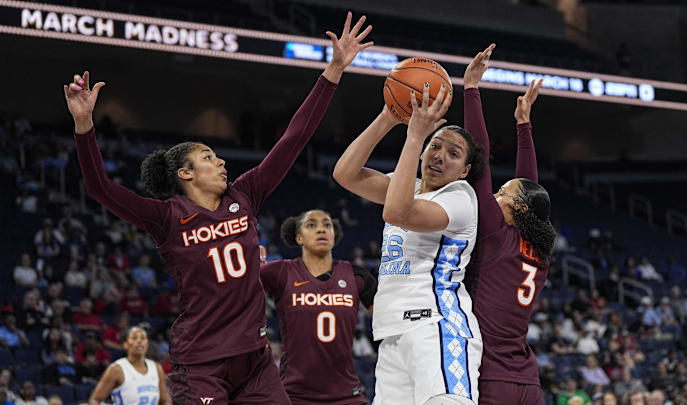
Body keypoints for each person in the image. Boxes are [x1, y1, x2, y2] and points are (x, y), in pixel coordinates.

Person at [64, 11, 373, 404]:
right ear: (185, 174)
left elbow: (294, 139)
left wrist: (333, 71)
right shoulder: (166, 218)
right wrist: (84, 126)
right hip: (201, 363)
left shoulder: (244, 195)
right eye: (209, 157)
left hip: (256, 362)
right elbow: (100, 187)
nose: (221, 162)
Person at [334, 64, 483, 404]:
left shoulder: (460, 198)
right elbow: (345, 173)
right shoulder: (409, 186)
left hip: (437, 326)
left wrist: (415, 137)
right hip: (393, 334)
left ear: (465, 171)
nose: (439, 156)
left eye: (453, 154)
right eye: (436, 145)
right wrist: (389, 115)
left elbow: (398, 212)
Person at [462, 44, 555, 405]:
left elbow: (479, 157)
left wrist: (471, 88)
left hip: (491, 377)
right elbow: (530, 189)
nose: (494, 195)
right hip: (527, 382)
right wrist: (523, 125)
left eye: (501, 192)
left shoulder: (495, 234)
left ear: (515, 207)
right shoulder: (541, 250)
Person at [260, 210, 377, 404]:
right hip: (294, 394)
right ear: (298, 237)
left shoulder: (356, 276)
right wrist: (250, 268)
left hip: (347, 395)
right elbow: (235, 294)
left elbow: (389, 321)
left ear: (334, 235)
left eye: (327, 225)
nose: (321, 229)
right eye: (311, 225)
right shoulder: (280, 272)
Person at [89, 327, 169, 405]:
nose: (139, 341)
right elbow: (95, 400)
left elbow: (164, 401)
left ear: (147, 344)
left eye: (143, 338)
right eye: (134, 338)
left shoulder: (156, 368)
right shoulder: (116, 369)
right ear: (125, 345)